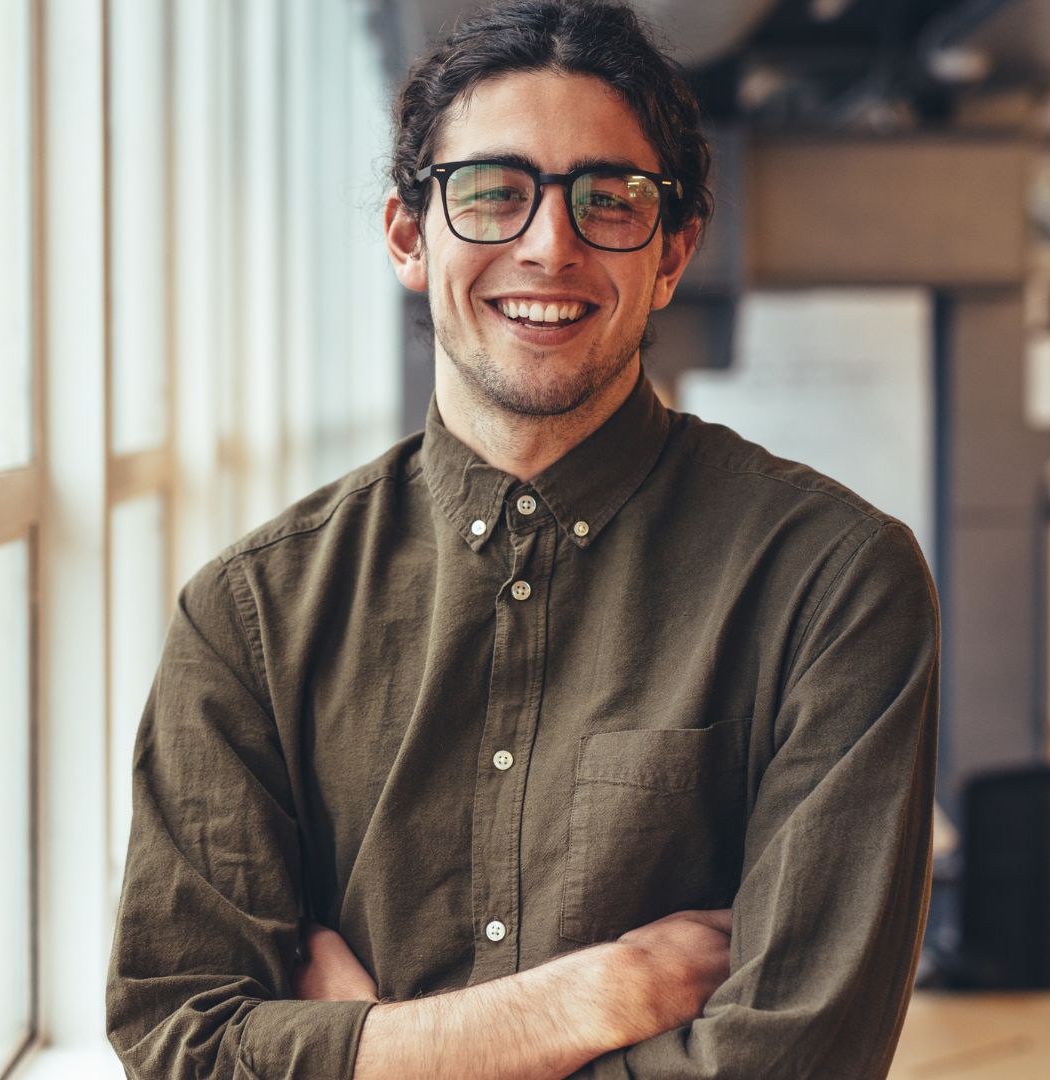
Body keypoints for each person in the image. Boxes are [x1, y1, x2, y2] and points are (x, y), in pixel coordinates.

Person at [106, 2, 939, 1077]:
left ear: (673, 252)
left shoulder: (832, 584)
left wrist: (377, 1052)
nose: (550, 246)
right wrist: (594, 999)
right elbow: (182, 1044)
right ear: (410, 236)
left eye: (611, 200)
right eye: (495, 193)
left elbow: (794, 1062)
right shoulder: (250, 617)